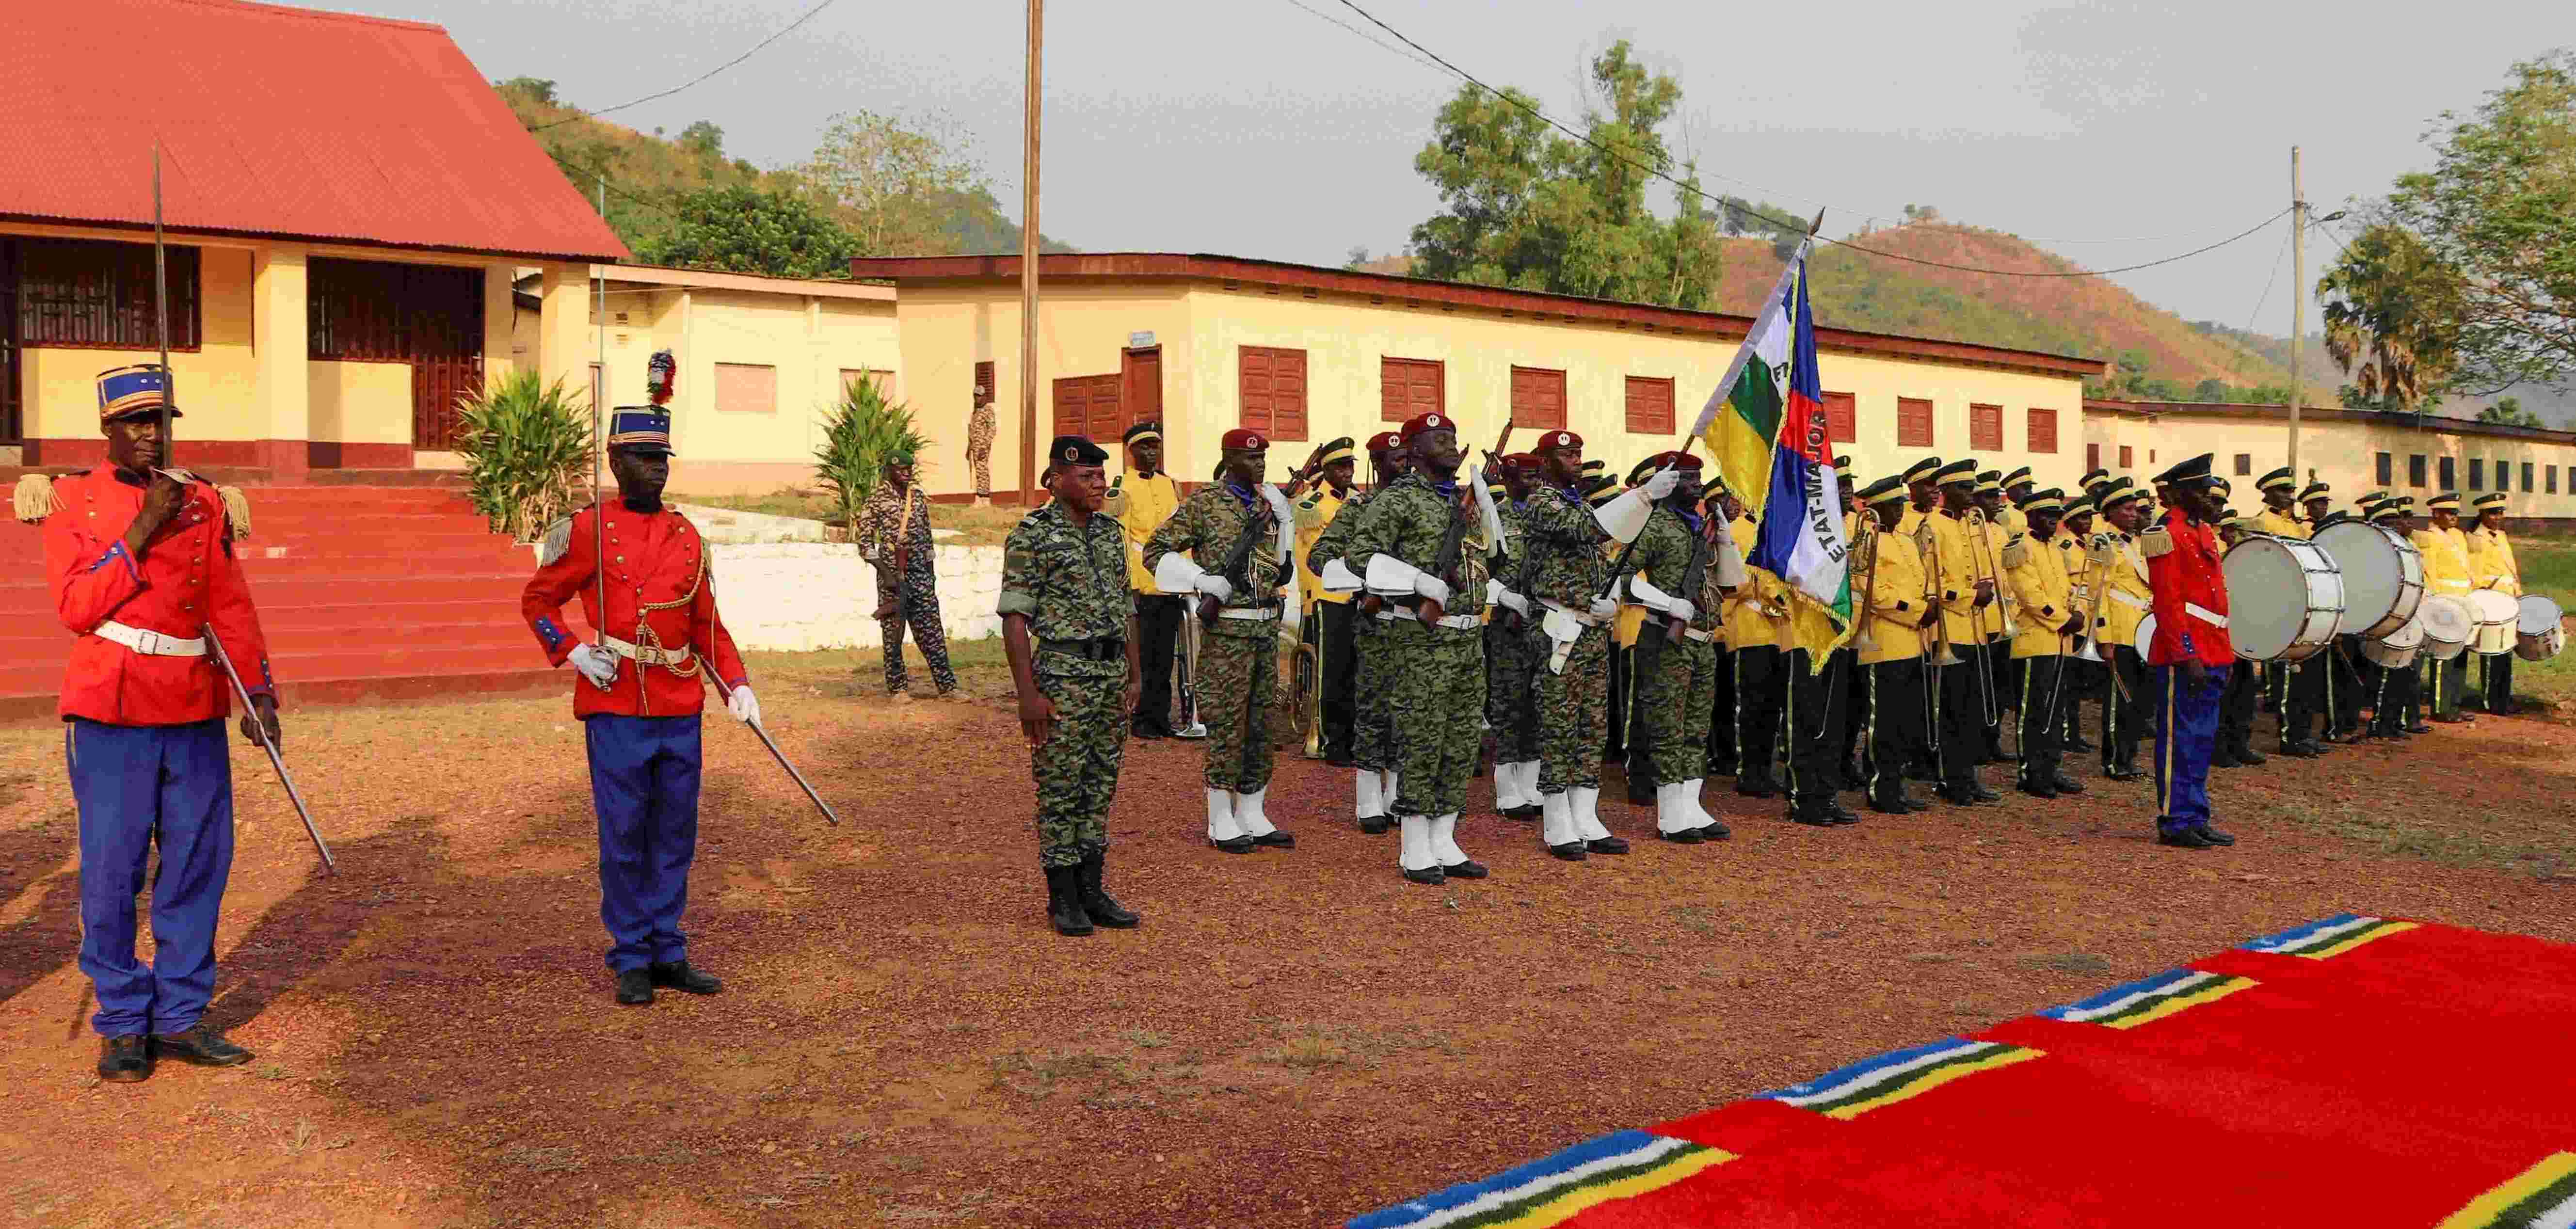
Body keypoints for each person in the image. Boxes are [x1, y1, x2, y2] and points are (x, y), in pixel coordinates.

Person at [35, 363, 278, 1081]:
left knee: (200, 862)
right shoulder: (71, 499)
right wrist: (144, 526)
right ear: (105, 429)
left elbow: (229, 602)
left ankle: (179, 1013)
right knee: (113, 870)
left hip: (194, 702)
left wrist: (258, 694)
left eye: (160, 420)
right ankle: (121, 1020)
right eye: (135, 421)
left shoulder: (204, 499)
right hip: (112, 703)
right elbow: (78, 608)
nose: (150, 433)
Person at [524, 404, 756, 1004]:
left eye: (662, 460)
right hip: (617, 700)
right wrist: (572, 651)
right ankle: (630, 954)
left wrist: (738, 683)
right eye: (643, 459)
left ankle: (668, 949)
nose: (656, 471)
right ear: (615, 462)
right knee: (625, 831)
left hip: (679, 700)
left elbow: (706, 626)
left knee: (675, 830)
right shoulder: (587, 530)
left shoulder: (687, 536)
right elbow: (539, 602)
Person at [999, 436, 1144, 937]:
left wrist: (1136, 674)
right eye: (1087, 477)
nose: (1099, 484)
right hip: (1062, 677)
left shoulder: (1108, 533)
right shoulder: (1031, 535)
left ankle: (1092, 889)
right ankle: (1062, 897)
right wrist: (1027, 695)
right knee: (1061, 788)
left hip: (1109, 677)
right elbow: (1015, 618)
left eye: (1102, 477)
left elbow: (1127, 607)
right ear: (1055, 481)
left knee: (1100, 784)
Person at [1348, 412, 1498, 883]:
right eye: (1439, 438)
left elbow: (1490, 559)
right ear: (1414, 451)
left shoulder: (1464, 502)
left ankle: (1446, 839)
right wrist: (1416, 581)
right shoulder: (1400, 500)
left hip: (1469, 638)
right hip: (1423, 641)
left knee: (1460, 742)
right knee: (1421, 741)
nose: (1451, 444)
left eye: (1454, 436)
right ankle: (1415, 844)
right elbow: (1360, 556)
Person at [1524, 430, 1678, 860]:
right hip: (1561, 628)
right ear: (1544, 461)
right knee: (1558, 724)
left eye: (1578, 453)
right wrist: (1643, 496)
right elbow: (1585, 530)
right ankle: (1557, 820)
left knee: (1591, 725)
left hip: (1592, 628)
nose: (1575, 459)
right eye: (1565, 454)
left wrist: (1612, 601)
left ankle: (1586, 815)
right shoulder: (1541, 503)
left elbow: (1608, 550)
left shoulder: (1582, 502)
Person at [1145, 428, 1297, 854]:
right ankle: (1220, 817)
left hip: (1265, 630)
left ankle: (1253, 811)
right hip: (1228, 631)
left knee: (1261, 723)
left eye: (1263, 457)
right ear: (1229, 459)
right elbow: (1155, 550)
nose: (1259, 464)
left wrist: (1283, 522)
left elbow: (1282, 570)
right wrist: (1200, 579)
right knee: (1227, 723)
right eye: (1250, 458)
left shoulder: (1268, 503)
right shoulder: (1204, 503)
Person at [1617, 451, 1736, 840]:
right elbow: (1622, 578)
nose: (1696, 485)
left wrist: (1724, 536)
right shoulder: (1654, 525)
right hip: (1666, 637)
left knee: (1696, 727)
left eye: (1697, 477)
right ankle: (1670, 813)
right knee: (1668, 725)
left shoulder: (1697, 527)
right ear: (1668, 484)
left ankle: (1691, 805)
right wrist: (1668, 603)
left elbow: (1731, 582)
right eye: (1687, 478)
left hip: (1702, 641)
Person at [1308, 431, 1408, 830]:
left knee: (1407, 715)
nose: (1402, 464)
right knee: (1372, 712)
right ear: (1377, 463)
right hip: (1376, 623)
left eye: (1406, 457)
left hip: (1416, 626)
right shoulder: (1359, 507)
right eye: (1393, 458)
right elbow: (1320, 557)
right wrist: (1368, 584)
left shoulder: (1424, 504)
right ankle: (1369, 800)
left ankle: (1398, 796)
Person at [2141, 453, 2237, 850]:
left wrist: (2222, 652)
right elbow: (2167, 601)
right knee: (2178, 739)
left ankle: (2196, 815)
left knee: (2201, 738)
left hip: (2213, 647)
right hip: (2183, 652)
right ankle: (2174, 818)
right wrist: (2187, 653)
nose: (2207, 496)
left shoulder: (2202, 532)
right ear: (2181, 494)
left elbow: (2214, 599)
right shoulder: (2165, 532)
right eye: (2199, 490)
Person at [1919, 459, 2001, 806]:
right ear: (1945, 491)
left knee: (1971, 709)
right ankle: (1949, 779)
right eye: (1964, 488)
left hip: (1974, 628)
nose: (1971, 494)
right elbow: (1931, 583)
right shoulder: (1930, 527)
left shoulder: (1971, 526)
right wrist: (1971, 595)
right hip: (1947, 630)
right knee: (1951, 710)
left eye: (1971, 488)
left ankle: (1967, 776)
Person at [1849, 476, 1931, 814]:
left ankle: (1895, 784)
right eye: (1894, 505)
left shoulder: (1906, 541)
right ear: (1876, 507)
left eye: (1901, 504)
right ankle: (1880, 788)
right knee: (1883, 722)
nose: (1900, 510)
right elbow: (1872, 591)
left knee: (1904, 721)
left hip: (1913, 642)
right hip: (1883, 641)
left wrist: (1928, 603)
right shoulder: (1866, 539)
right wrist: (1916, 611)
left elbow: (1919, 581)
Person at [1103, 422, 1188, 740]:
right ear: (1131, 450)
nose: (1151, 452)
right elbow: (1121, 538)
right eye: (1144, 447)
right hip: (1141, 583)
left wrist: (1187, 575)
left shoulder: (1170, 486)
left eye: (1155, 446)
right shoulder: (1120, 487)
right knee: (1140, 656)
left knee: (1165, 656)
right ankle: (1139, 718)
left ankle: (1160, 716)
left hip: (1170, 581)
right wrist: (1131, 584)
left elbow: (1182, 533)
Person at [855, 449, 959, 701]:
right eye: (900, 469)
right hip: (893, 576)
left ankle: (947, 687)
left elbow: (928, 538)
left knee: (932, 631)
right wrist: (885, 573)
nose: (906, 473)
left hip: (921, 575)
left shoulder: (919, 498)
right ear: (889, 471)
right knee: (894, 633)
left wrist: (931, 575)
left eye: (909, 469)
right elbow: (865, 543)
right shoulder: (877, 500)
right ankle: (898, 688)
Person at [2002, 492, 2085, 798]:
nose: (2054, 519)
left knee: (2056, 710)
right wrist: (2065, 619)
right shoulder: (2019, 546)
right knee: (2035, 710)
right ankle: (2031, 774)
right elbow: (2031, 596)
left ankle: (2051, 767)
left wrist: (2078, 611)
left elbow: (2067, 588)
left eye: (2056, 514)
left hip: (2060, 640)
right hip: (2035, 640)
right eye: (2047, 514)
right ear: (2031, 516)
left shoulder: (2054, 548)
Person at [1290, 437, 1361, 759]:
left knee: (1356, 670)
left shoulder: (1361, 501)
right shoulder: (1311, 504)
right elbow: (1311, 556)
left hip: (1359, 594)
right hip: (1327, 594)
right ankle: (1332, 741)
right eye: (1340, 466)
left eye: (1350, 465)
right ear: (1326, 469)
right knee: (1330, 672)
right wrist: (1310, 598)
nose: (1347, 472)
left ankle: (1353, 735)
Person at [1487, 452, 1544, 820]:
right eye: (1526, 476)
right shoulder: (1494, 517)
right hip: (1508, 624)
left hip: (1542, 622)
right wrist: (1505, 597)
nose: (1535, 481)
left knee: (1536, 706)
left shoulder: (1546, 515)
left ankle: (1532, 784)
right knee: (1508, 705)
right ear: (1508, 480)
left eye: (1538, 475)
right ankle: (1507, 789)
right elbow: (1478, 567)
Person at [2088, 484, 2153, 780]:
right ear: (2110, 512)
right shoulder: (2103, 543)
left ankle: (2129, 757)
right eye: (2126, 510)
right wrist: (2105, 639)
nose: (2133, 515)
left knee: (2139, 702)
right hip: (2119, 631)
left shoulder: (2139, 543)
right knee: (2119, 702)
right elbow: (2098, 592)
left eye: (2135, 509)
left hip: (2143, 631)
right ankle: (2115, 761)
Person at [2412, 493, 2478, 724]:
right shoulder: (2429, 538)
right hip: (2444, 602)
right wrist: (2436, 601)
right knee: (2443, 656)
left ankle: (2455, 703)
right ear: (2436, 514)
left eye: (2456, 513)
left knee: (2460, 655)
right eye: (2449, 513)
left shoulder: (2459, 537)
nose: (2454, 517)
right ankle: (2440, 706)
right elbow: (2429, 572)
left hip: (2464, 601)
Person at [2368, 499, 2430, 737]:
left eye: (2396, 523)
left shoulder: (2406, 548)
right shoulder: (2374, 551)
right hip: (2383, 618)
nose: (2395, 528)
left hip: (2406, 614)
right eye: (2388, 524)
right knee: (2384, 673)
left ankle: (2393, 722)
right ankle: (2379, 723)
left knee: (2403, 673)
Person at [2465, 492, 2522, 715]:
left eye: (2501, 512)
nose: (2498, 517)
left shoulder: (2501, 536)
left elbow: (2511, 569)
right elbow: (2474, 572)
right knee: (2491, 651)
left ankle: (2504, 698)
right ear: (2482, 515)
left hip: (2508, 599)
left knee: (2506, 650)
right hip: (2491, 600)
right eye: (2493, 513)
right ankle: (2491, 700)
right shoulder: (2475, 539)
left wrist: (2517, 592)